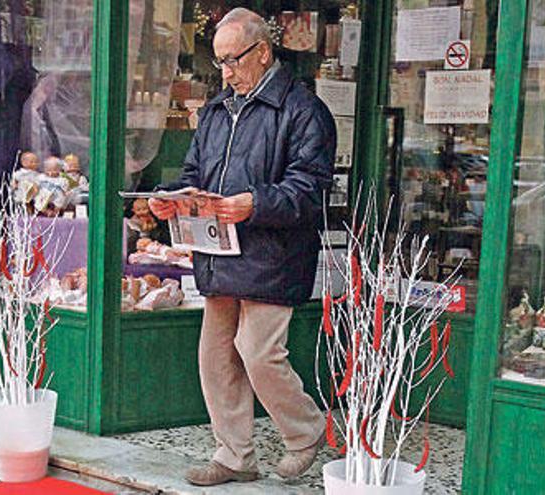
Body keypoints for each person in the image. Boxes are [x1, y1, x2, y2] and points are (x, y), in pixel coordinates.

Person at [148, 7, 336, 487]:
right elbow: (196, 174)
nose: (226, 72)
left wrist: (254, 204)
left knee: (257, 351)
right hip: (219, 251)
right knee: (215, 357)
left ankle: (306, 430)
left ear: (264, 52)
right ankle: (234, 455)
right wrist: (175, 198)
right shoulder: (215, 110)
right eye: (219, 62)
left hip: (273, 255)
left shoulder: (303, 110)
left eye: (233, 60)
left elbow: (310, 190)